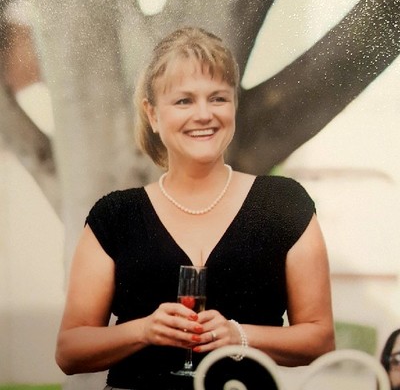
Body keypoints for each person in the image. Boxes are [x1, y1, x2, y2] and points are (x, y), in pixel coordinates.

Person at [55, 27, 335, 390]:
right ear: (152, 114)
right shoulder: (115, 216)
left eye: (217, 98)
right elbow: (69, 352)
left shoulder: (283, 204)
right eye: (184, 101)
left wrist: (239, 335)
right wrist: (143, 330)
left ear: (234, 106)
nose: (203, 114)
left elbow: (320, 338)